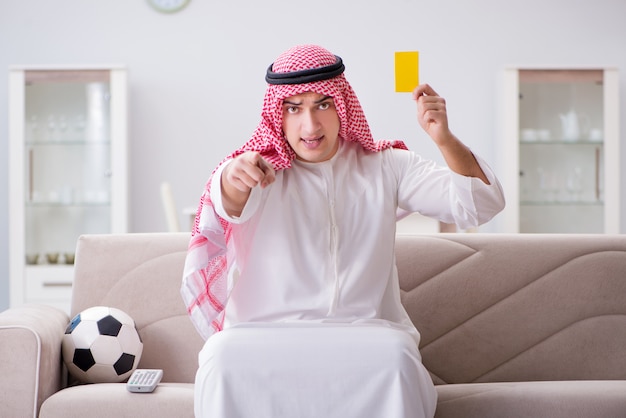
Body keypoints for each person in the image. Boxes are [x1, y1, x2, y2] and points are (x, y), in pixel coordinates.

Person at [181, 44, 505, 418]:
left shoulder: (386, 166)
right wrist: (235, 178)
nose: (311, 126)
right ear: (277, 115)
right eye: (293, 108)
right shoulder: (256, 169)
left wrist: (443, 138)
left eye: (323, 104)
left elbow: (481, 204)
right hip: (264, 338)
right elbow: (229, 199)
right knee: (222, 357)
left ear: (343, 104)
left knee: (396, 358)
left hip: (366, 336)